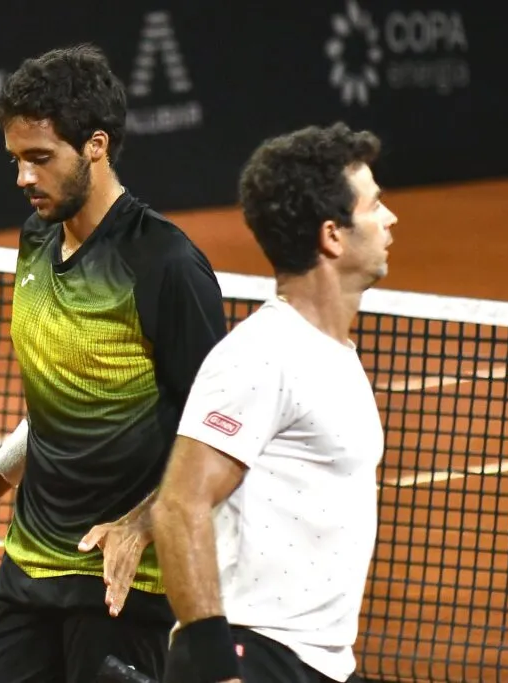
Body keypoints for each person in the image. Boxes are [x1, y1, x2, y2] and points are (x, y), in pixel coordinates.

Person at [0, 44, 228, 683]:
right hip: (27, 571)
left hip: (122, 586)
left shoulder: (165, 265)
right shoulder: (35, 240)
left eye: (40, 158)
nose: (23, 179)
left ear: (95, 146)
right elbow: (59, 403)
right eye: (16, 160)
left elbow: (219, 436)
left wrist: (141, 524)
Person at [150, 122, 398, 683]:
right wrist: (214, 668)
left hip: (320, 662)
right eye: (375, 205)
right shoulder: (261, 355)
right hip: (256, 654)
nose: (390, 219)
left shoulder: (332, 355)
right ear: (332, 236)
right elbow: (179, 505)